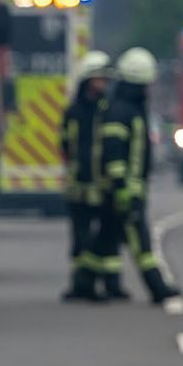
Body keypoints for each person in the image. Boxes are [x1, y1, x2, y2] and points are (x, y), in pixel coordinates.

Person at [87, 46, 182, 303]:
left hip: (125, 187)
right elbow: (114, 152)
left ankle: (86, 283)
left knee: (106, 238)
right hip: (124, 188)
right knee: (140, 240)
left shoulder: (127, 108)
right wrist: (122, 188)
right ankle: (157, 287)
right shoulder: (121, 111)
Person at [60, 50, 113, 301]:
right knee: (79, 238)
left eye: (105, 79)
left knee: (101, 236)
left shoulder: (108, 111)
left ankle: (97, 283)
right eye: (98, 79)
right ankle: (79, 284)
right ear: (88, 81)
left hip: (101, 184)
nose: (102, 84)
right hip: (78, 185)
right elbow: (65, 145)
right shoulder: (75, 112)